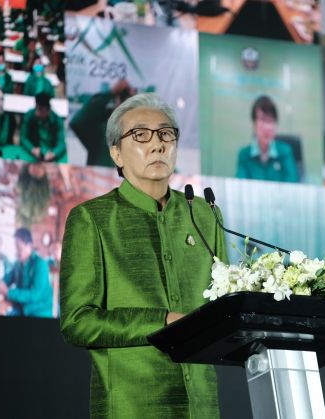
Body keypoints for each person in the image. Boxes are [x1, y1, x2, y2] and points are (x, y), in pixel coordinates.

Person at [60, 93, 227, 418]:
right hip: (131, 405)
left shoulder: (205, 215)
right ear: (116, 153)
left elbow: (222, 301)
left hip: (201, 406)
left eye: (166, 134)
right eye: (140, 135)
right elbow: (77, 322)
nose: (157, 145)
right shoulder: (91, 219)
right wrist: (162, 321)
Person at [69, 79, 136, 167]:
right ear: (115, 103)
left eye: (132, 101)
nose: (126, 105)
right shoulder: (100, 132)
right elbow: (78, 122)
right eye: (124, 98)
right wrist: (111, 93)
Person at [236, 95, 299, 183]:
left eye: (270, 121)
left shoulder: (285, 152)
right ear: (254, 124)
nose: (267, 127)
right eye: (262, 120)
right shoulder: (244, 155)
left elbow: (292, 184)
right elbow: (240, 186)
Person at [0, 228, 53, 318]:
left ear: (29, 246)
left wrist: (8, 292)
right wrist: (0, 284)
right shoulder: (17, 264)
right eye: (15, 247)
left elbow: (35, 295)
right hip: (22, 309)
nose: (16, 251)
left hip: (39, 312)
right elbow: (6, 280)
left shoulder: (40, 264)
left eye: (19, 247)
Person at [20, 93, 66, 162]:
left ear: (48, 110)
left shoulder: (57, 120)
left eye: (41, 110)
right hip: (33, 153)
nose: (38, 112)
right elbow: (23, 138)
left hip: (50, 152)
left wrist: (54, 153)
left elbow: (62, 143)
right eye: (38, 109)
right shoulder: (29, 116)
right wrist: (32, 149)